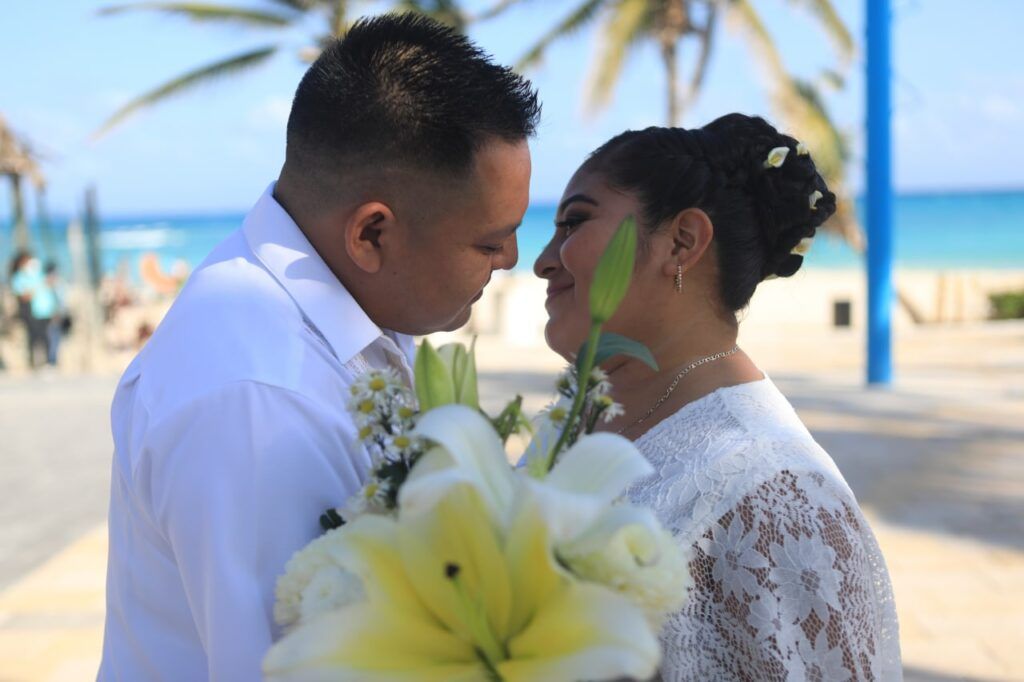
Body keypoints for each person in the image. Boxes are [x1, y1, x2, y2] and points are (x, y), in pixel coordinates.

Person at [98, 13, 538, 681]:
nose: (511, 258)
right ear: (372, 235)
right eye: (490, 240)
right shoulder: (261, 404)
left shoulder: (352, 308)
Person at [534, 114, 902, 680]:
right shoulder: (576, 419)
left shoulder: (774, 497)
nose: (542, 260)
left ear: (682, 241)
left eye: (574, 223)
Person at [9, 251, 47, 369]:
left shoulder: (36, 274)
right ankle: (33, 362)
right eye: (26, 261)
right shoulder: (18, 277)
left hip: (40, 309)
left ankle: (43, 361)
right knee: (32, 335)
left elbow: (43, 287)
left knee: (42, 335)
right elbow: (22, 295)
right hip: (27, 309)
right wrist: (32, 292)